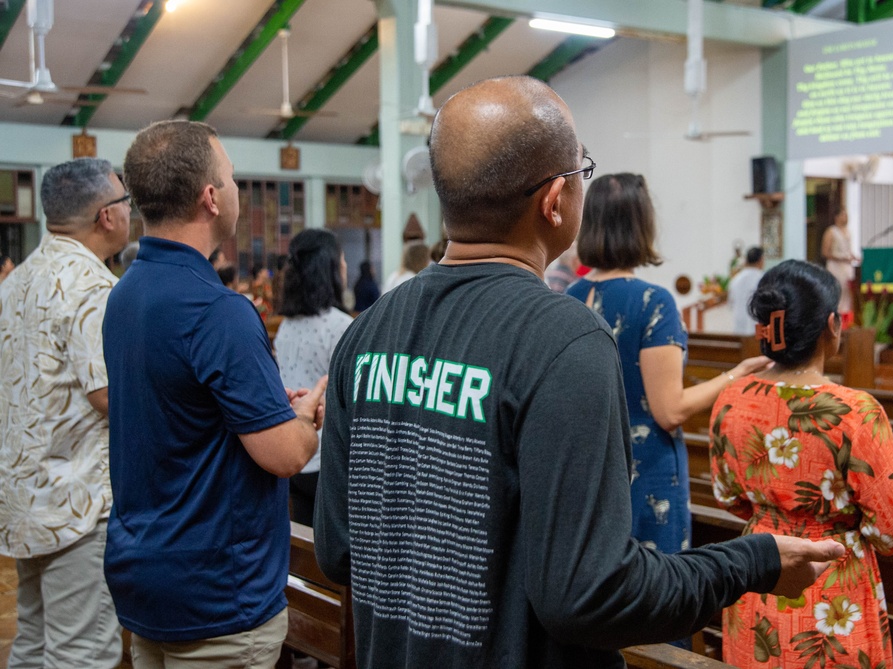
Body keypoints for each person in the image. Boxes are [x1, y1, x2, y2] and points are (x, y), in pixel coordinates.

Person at [313, 76, 844, 669]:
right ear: (555, 200)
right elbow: (588, 596)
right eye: (581, 172)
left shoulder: (367, 332)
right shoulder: (561, 339)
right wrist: (753, 563)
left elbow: (339, 551)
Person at [102, 119, 327, 668]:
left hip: (145, 568)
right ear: (209, 197)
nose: (235, 189)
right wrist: (306, 417)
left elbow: (184, 413)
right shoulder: (218, 310)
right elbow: (285, 455)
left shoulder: (126, 293)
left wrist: (269, 407)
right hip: (215, 591)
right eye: (229, 177)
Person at [566, 175, 771, 591]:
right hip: (645, 470)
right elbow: (669, 409)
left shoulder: (568, 296)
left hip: (587, 466)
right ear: (642, 226)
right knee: (655, 598)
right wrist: (736, 375)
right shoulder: (652, 301)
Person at [709, 259, 893, 669]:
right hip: (832, 583)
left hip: (757, 571)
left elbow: (729, 496)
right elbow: (890, 530)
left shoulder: (732, 398)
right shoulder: (855, 412)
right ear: (832, 326)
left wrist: (776, 517)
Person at [0, 158, 130, 668]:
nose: (130, 212)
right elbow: (107, 395)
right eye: (125, 202)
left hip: (26, 493)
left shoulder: (19, 279)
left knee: (33, 640)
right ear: (106, 216)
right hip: (76, 501)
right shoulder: (91, 287)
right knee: (82, 652)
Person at [275, 229, 353, 527]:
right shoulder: (340, 326)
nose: (345, 267)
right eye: (341, 260)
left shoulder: (286, 326)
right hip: (327, 459)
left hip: (295, 452)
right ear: (330, 268)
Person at [822, 209, 859, 320]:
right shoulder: (831, 231)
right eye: (843, 215)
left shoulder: (848, 231)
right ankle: (835, 318)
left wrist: (854, 257)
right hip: (835, 266)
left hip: (847, 267)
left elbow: (848, 250)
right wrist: (841, 258)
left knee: (848, 293)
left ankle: (847, 320)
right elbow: (825, 252)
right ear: (836, 217)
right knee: (837, 292)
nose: (845, 217)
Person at [728, 245, 765, 335]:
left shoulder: (735, 279)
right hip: (756, 329)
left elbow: (731, 304)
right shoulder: (763, 279)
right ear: (760, 260)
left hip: (738, 327)